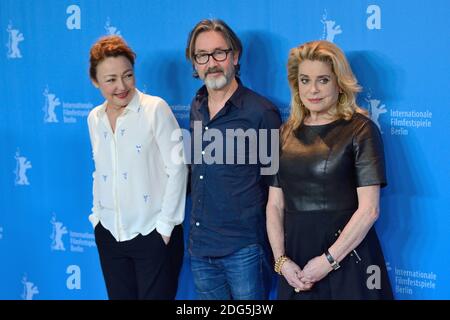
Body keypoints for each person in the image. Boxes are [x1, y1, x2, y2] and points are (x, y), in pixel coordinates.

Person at [266, 40, 393, 300]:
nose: (312, 89)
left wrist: (328, 261)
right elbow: (274, 206)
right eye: (304, 80)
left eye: (322, 80)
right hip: (296, 266)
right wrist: (282, 262)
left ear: (339, 82)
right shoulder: (282, 134)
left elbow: (369, 210)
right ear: (295, 84)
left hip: (349, 260)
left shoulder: (361, 130)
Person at [185, 19, 282, 299]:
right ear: (195, 63)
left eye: (219, 53)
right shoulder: (197, 106)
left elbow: (275, 186)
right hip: (201, 248)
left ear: (235, 56)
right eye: (201, 56)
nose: (211, 63)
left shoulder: (261, 112)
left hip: (244, 250)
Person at [87, 35, 187, 300]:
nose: (121, 86)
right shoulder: (94, 118)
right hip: (109, 234)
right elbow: (100, 170)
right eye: (110, 80)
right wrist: (97, 218)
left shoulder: (155, 109)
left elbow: (178, 169)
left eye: (127, 75)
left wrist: (165, 228)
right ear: (95, 81)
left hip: (152, 234)